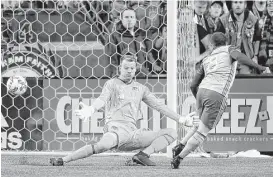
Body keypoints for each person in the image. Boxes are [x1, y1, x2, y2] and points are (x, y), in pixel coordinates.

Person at [50, 55, 193, 167]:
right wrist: (92, 108)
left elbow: (159, 106)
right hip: (115, 131)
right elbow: (102, 98)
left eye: (132, 68)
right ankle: (63, 160)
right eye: (126, 68)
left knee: (172, 133)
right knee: (102, 146)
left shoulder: (141, 88)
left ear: (136, 68)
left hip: (133, 134)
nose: (129, 71)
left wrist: (181, 119)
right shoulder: (112, 84)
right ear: (120, 68)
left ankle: (142, 155)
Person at [171, 32, 267, 169]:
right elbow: (239, 57)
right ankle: (178, 158)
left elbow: (193, 85)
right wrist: (259, 67)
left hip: (202, 91)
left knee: (198, 124)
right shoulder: (230, 49)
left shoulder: (207, 59)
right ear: (225, 42)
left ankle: (180, 144)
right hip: (216, 93)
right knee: (202, 132)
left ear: (211, 45)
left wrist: (199, 98)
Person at [217, 0, 260, 74]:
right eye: (235, 2)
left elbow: (257, 39)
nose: (238, 5)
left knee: (245, 81)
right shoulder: (223, 20)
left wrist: (255, 56)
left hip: (247, 59)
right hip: (229, 60)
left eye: (240, 2)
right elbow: (217, 41)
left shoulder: (253, 20)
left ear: (245, 4)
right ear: (231, 4)